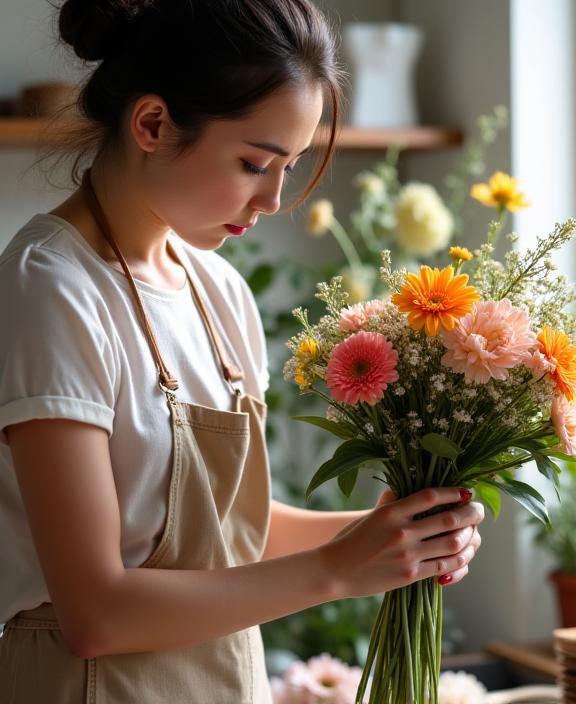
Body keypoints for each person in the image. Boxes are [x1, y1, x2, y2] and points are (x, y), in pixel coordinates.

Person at [0, 1, 484, 702]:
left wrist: (391, 538)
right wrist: (339, 572)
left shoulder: (216, 287)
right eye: (256, 162)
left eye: (289, 165)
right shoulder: (52, 288)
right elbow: (95, 615)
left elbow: (233, 532)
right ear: (153, 124)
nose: (273, 198)